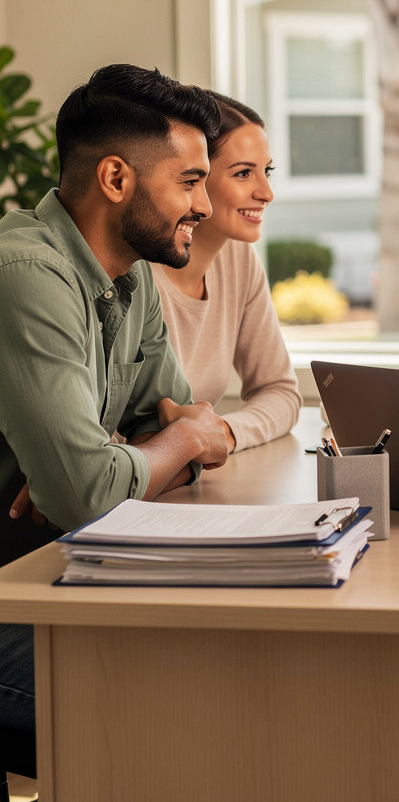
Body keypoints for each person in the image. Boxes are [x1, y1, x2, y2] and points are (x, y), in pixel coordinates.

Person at [0, 63, 232, 732]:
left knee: (224, 664)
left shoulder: (131, 281)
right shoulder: (26, 274)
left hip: (45, 571)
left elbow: (180, 427)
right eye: (189, 182)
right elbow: (96, 491)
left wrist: (122, 465)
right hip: (16, 588)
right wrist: (178, 444)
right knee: (176, 709)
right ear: (115, 179)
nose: (205, 205)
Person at [151, 93, 301, 452]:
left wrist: (220, 433)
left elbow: (279, 390)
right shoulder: (135, 273)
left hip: (187, 479)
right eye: (244, 173)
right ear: (195, 177)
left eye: (267, 171)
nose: (266, 192)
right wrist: (187, 443)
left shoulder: (239, 259)